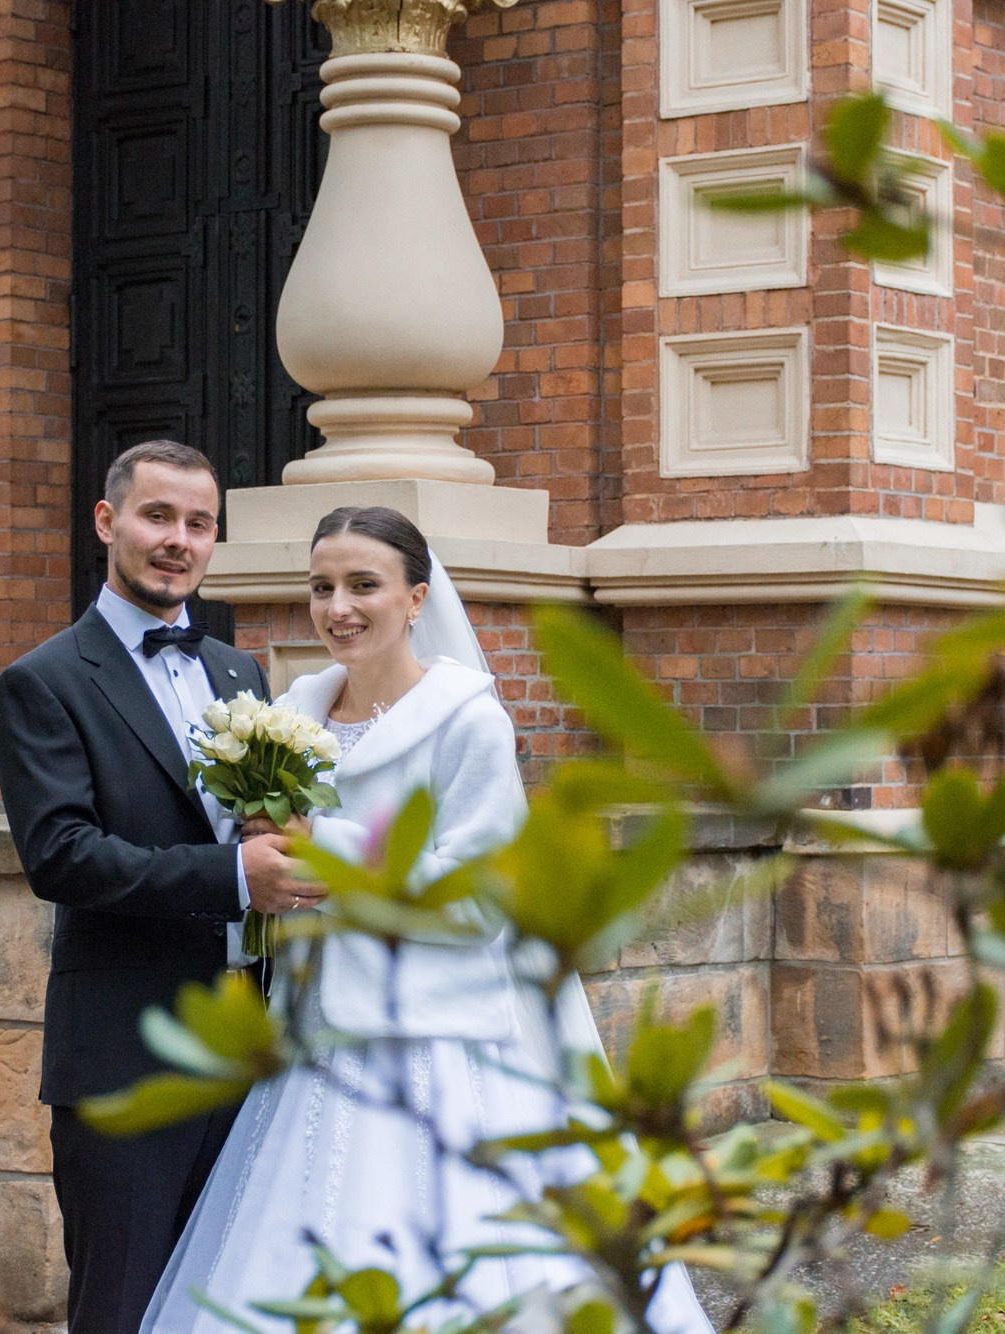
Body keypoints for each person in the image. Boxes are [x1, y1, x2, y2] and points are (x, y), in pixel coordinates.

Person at [140, 506, 714, 1334]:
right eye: (322, 587)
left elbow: (483, 903)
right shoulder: (291, 716)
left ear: (416, 598)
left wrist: (330, 849)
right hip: (315, 1033)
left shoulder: (467, 721)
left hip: (437, 1044)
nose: (339, 607)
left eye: (363, 585)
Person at [0, 440, 322, 1334]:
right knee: (121, 1308)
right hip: (125, 1057)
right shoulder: (43, 681)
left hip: (248, 1046)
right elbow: (61, 857)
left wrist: (281, 843)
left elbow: (248, 823)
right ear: (108, 522)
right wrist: (234, 876)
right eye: (158, 516)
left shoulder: (239, 673)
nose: (179, 540)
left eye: (199, 523)